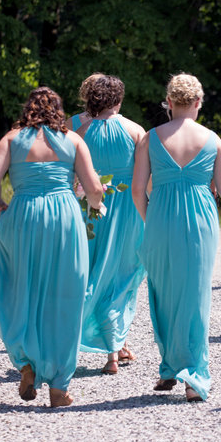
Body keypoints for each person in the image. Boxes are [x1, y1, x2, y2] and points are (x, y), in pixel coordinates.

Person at [0, 87, 103, 408]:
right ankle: (59, 387)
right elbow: (93, 188)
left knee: (18, 288)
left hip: (21, 216)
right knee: (65, 296)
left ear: (28, 110)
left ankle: (26, 363)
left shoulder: (12, 138)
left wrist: (0, 205)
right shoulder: (72, 140)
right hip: (63, 218)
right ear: (58, 111)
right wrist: (95, 203)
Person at [132, 74, 221, 402]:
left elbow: (137, 191)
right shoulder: (212, 139)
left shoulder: (150, 138)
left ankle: (169, 368)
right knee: (195, 297)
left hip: (160, 219)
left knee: (163, 294)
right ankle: (193, 376)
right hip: (200, 223)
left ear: (169, 102)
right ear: (197, 102)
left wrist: (153, 220)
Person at [69, 74, 147, 374]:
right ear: (118, 99)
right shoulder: (135, 130)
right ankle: (114, 348)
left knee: (93, 273)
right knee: (123, 276)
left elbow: (72, 175)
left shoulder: (80, 131)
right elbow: (144, 181)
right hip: (127, 209)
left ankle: (106, 342)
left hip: (91, 209)